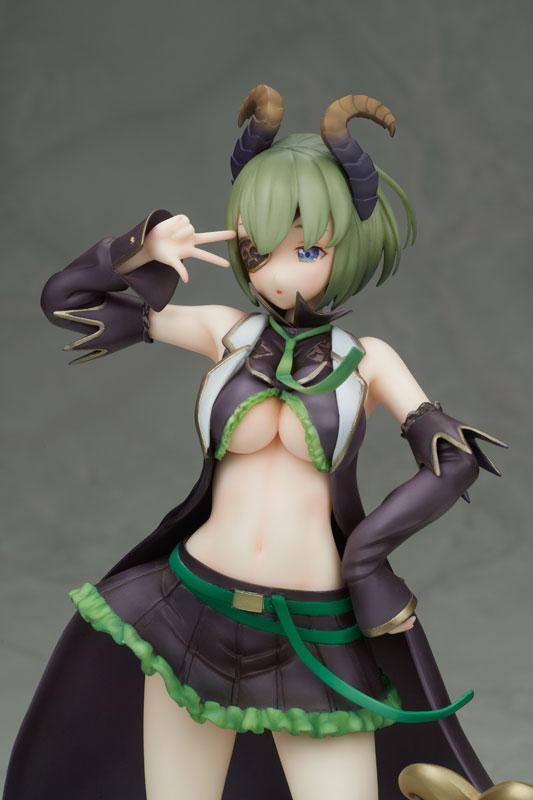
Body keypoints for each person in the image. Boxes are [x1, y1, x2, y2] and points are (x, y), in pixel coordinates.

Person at [5, 85, 528, 800]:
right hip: (191, 604)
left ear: (346, 246)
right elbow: (67, 302)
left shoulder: (367, 360)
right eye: (257, 249)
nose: (275, 273)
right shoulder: (225, 331)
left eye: (306, 248)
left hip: (313, 629)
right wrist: (138, 247)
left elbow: (453, 459)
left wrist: (366, 556)